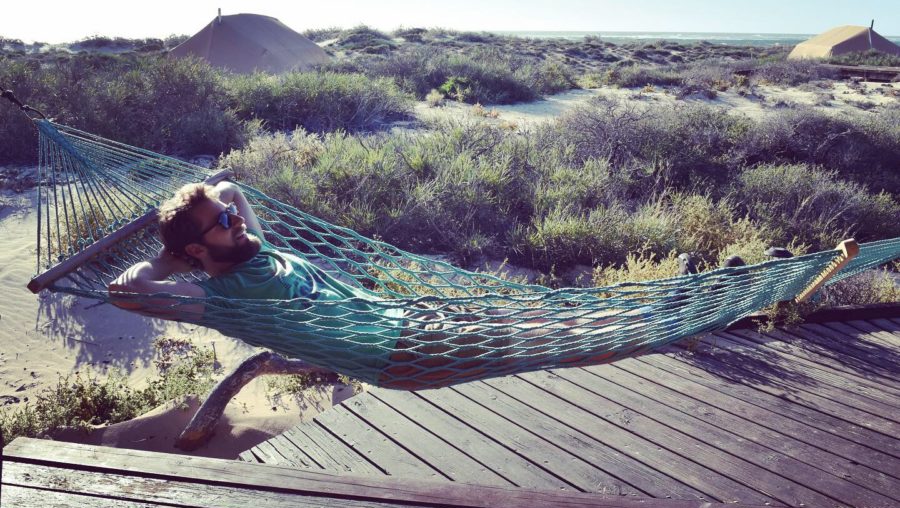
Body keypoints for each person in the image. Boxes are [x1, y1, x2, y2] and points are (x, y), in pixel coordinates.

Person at [110, 182, 651, 389]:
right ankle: (657, 330)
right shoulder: (223, 298)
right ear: (200, 252)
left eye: (231, 213)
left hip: (410, 321)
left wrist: (211, 221)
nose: (234, 216)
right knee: (559, 339)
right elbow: (128, 289)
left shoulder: (255, 247)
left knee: (546, 322)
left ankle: (655, 325)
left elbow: (229, 186)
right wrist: (173, 259)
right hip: (398, 352)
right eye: (222, 221)